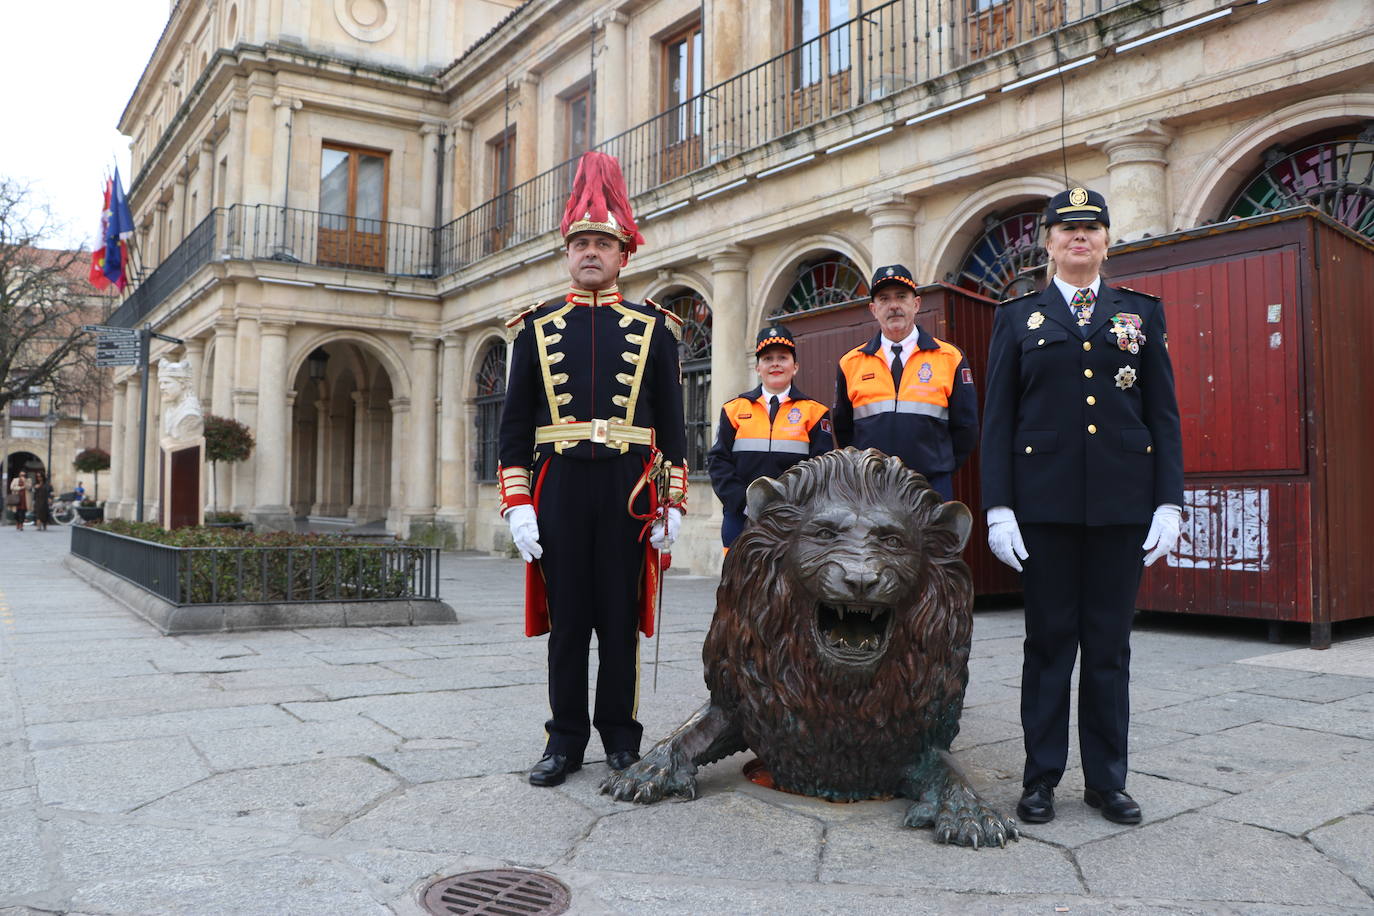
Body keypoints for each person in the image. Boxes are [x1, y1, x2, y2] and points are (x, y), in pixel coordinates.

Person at [980, 187, 1184, 827]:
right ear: (1047, 242)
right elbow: (998, 422)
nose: (1079, 237)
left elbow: (1164, 416)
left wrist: (1169, 504)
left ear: (1105, 241)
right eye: (1066, 228)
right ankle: (1040, 778)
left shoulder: (1141, 314)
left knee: (1108, 648)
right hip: (1043, 510)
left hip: (1123, 508)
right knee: (1047, 647)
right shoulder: (1018, 318)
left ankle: (1107, 782)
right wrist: (999, 509)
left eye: (1091, 228)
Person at [498, 151, 689, 788]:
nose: (589, 252)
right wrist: (517, 503)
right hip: (559, 489)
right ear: (567, 252)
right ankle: (564, 741)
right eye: (580, 242)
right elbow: (515, 426)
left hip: (627, 489)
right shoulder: (534, 328)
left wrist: (674, 501)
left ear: (623, 254)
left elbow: (672, 425)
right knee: (567, 622)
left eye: (602, 243)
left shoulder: (655, 329)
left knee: (619, 620)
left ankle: (621, 738)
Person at [831, 264, 978, 499]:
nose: (894, 306)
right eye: (884, 299)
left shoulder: (950, 358)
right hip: (871, 489)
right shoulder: (850, 363)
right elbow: (843, 428)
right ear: (873, 309)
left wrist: (938, 466)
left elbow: (966, 428)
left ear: (916, 304)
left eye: (901, 297)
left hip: (930, 485)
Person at [708, 324, 831, 550]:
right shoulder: (733, 410)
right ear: (758, 368)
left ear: (795, 367)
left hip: (795, 520)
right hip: (742, 518)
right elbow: (718, 462)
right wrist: (744, 503)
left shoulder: (815, 413)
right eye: (767, 358)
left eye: (782, 358)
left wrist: (795, 507)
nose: (775, 363)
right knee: (739, 584)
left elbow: (822, 470)